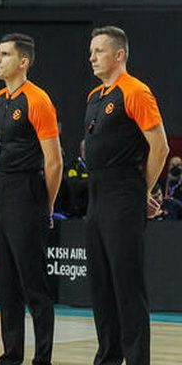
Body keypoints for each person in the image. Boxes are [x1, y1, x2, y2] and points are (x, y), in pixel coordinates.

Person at [85, 26, 169, 365]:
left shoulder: (136, 91)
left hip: (123, 195)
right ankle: (108, 358)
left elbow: (160, 148)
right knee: (101, 288)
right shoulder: (94, 96)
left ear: (119, 55)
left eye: (99, 51)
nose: (92, 57)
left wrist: (140, 191)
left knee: (127, 288)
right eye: (91, 51)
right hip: (96, 196)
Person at [0, 33, 62, 365]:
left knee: (34, 285)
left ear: (23, 61)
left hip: (27, 193)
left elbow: (54, 161)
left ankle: (42, 358)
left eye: (4, 54)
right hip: (0, 192)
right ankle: (11, 356)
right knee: (5, 284)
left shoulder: (38, 100)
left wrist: (47, 205)